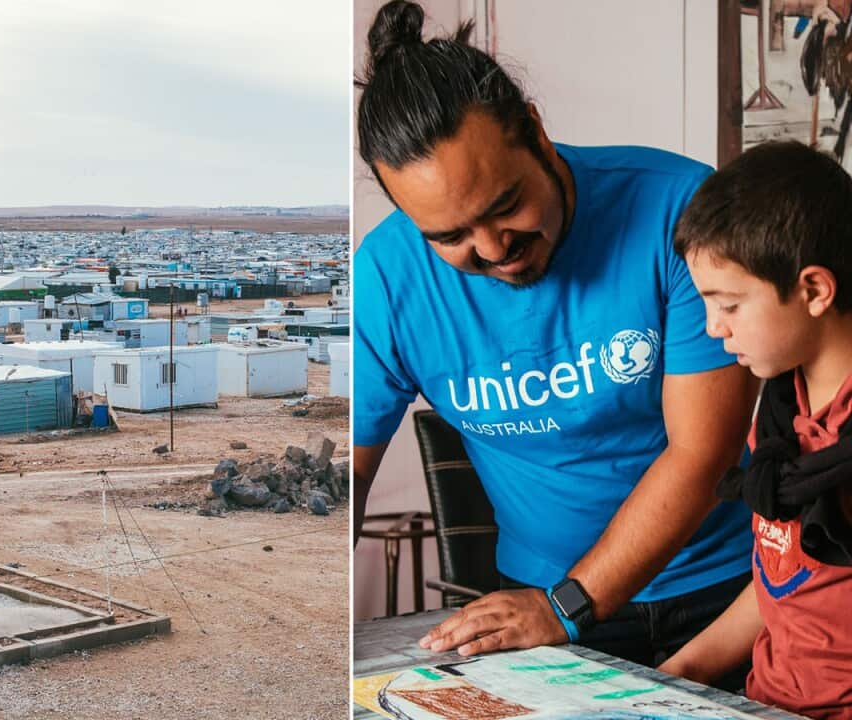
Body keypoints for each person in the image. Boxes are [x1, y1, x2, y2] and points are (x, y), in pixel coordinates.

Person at [353, 0, 757, 677]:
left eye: (505, 205)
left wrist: (567, 605)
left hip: (719, 591)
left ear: (537, 135)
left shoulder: (679, 210)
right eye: (449, 236)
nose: (492, 249)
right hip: (535, 602)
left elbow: (701, 455)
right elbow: (348, 477)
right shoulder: (387, 277)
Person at [655, 141, 852, 718]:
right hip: (764, 702)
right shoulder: (780, 410)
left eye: (729, 305)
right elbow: (783, 577)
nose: (713, 328)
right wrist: (683, 670)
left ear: (813, 290)